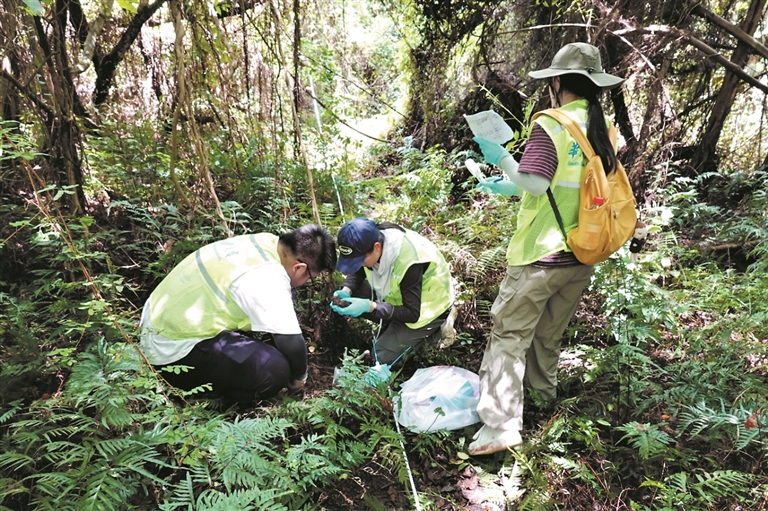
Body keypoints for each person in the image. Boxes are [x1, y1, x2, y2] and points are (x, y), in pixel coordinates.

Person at [468, 42, 625, 455]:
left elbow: (537, 184)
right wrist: (509, 185)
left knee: (509, 336)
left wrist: (501, 157)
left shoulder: (552, 123)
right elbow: (570, 185)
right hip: (581, 255)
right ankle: (542, 403)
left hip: (539, 256)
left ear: (557, 83)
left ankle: (500, 426)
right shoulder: (604, 128)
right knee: (547, 335)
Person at [139, 224, 337, 406]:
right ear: (299, 268)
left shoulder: (264, 242)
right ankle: (221, 403)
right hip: (171, 350)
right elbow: (290, 340)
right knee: (275, 369)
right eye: (311, 278)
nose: (306, 283)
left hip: (156, 321)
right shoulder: (268, 276)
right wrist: (299, 378)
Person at [330, 217, 454, 366]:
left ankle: (437, 330)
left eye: (360, 260)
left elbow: (412, 313)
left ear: (377, 247)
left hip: (426, 306)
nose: (358, 265)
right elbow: (358, 270)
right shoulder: (373, 240)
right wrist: (347, 290)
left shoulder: (408, 261)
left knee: (381, 358)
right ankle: (393, 327)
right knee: (348, 300)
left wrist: (370, 306)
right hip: (398, 295)